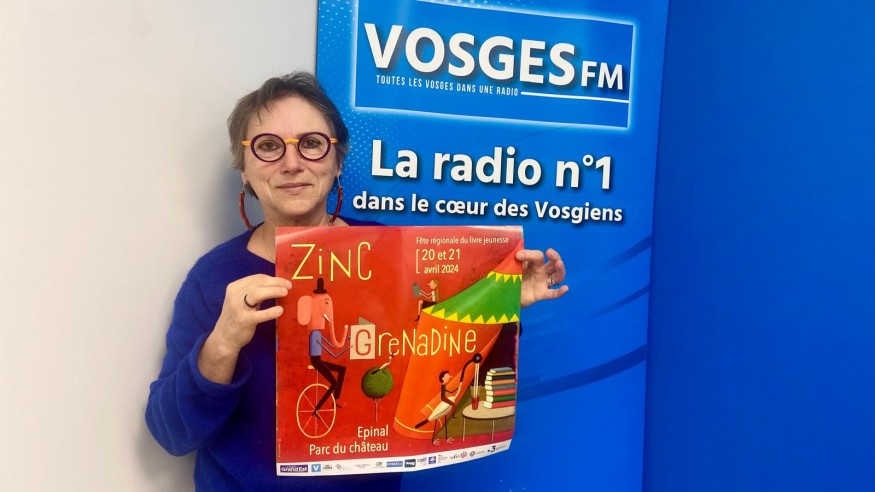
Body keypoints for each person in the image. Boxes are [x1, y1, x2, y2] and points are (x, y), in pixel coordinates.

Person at [145, 72, 568, 491]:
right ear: (243, 168)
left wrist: (503, 299)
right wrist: (222, 344)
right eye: (268, 146)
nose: (291, 163)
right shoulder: (214, 278)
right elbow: (172, 434)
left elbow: (444, 359)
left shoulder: (390, 254)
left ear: (337, 161)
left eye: (312, 144)